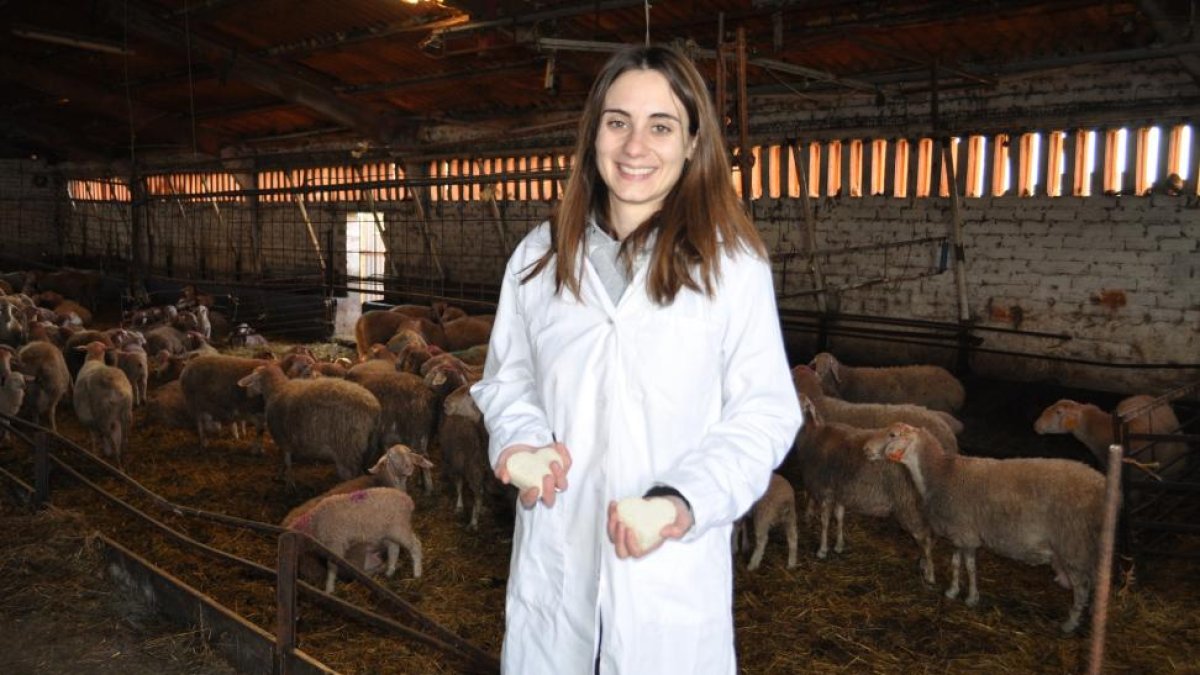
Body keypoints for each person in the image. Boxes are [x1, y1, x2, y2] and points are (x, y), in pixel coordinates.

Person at [470, 43, 803, 674]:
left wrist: (681, 501)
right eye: (618, 121)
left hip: (668, 576)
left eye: (661, 126)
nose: (634, 147)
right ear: (593, 131)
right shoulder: (539, 259)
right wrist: (520, 443)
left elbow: (763, 413)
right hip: (557, 558)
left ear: (693, 140)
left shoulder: (730, 265)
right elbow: (508, 379)